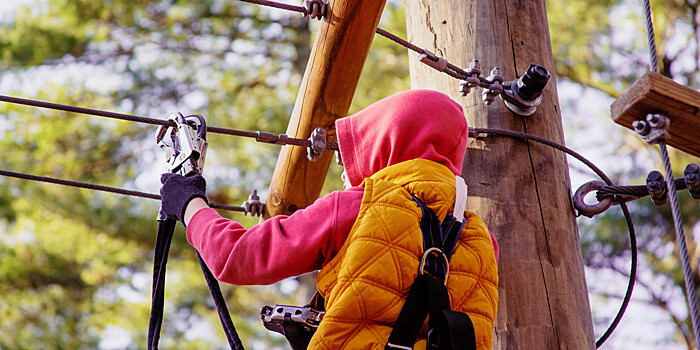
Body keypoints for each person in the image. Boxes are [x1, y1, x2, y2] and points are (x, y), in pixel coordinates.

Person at [160, 89, 499, 349]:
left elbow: (237, 257)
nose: (343, 171)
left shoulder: (358, 206)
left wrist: (189, 201)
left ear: (387, 144)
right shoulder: (482, 239)